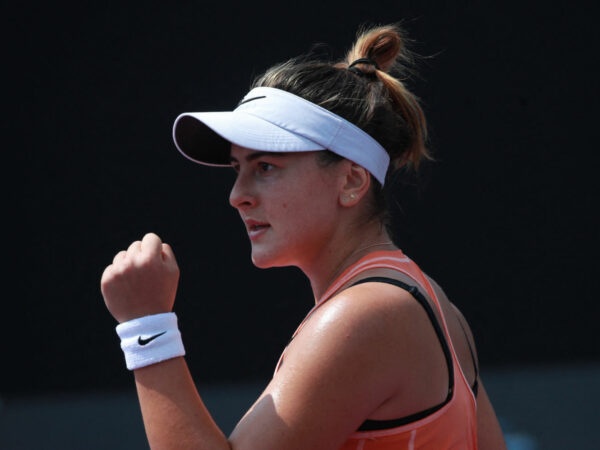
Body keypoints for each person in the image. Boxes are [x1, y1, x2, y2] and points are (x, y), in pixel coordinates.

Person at [100, 23, 507, 450]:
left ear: (351, 181)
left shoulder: (363, 316)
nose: (238, 196)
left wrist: (146, 327)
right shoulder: (431, 304)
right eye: (239, 169)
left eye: (266, 168)